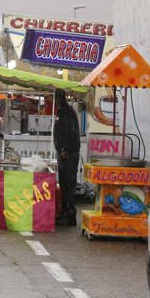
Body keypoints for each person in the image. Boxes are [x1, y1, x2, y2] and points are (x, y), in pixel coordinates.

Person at [54, 89, 81, 226]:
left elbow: (69, 132)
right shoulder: (64, 111)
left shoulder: (66, 112)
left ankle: (70, 216)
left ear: (58, 99)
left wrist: (64, 149)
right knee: (65, 185)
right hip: (66, 154)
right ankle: (66, 213)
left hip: (68, 154)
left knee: (68, 185)